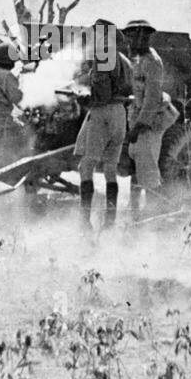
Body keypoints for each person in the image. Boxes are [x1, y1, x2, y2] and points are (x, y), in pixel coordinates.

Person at [74, 18, 133, 229]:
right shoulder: (124, 60)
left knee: (86, 165)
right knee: (110, 168)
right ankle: (109, 221)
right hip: (119, 114)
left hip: (102, 113)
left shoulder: (103, 57)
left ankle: (84, 222)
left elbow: (102, 94)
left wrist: (84, 100)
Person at [122, 19, 179, 218]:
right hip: (138, 118)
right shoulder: (139, 58)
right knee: (136, 168)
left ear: (142, 36)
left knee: (148, 172)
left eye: (132, 36)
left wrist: (137, 128)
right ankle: (135, 212)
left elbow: (152, 100)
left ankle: (155, 217)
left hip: (150, 123)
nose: (129, 41)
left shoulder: (152, 62)